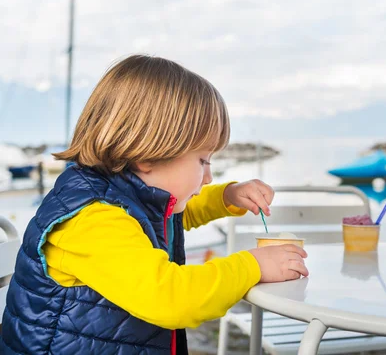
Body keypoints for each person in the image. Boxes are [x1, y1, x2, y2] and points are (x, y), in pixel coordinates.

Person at [0, 55, 309, 355]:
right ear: (149, 154)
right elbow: (171, 298)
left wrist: (227, 197)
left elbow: (174, 216)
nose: (208, 175)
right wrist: (252, 265)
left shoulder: (128, 196)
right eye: (202, 160)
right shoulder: (93, 220)